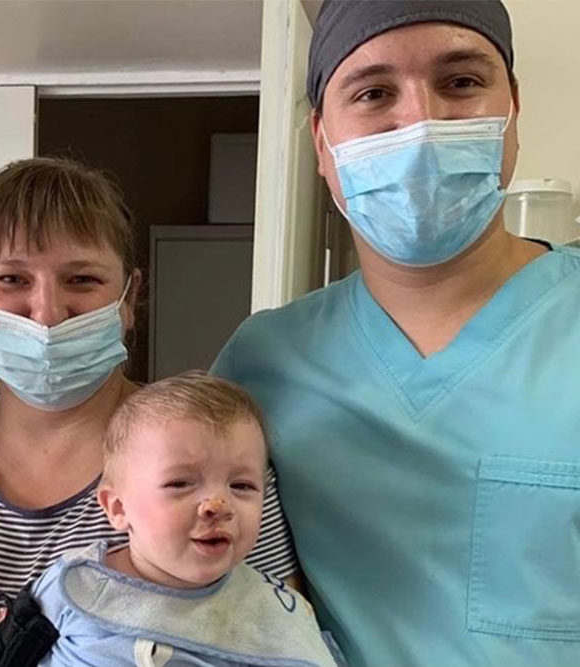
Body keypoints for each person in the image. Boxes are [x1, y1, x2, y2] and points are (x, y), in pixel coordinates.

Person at [212, 1, 580, 666]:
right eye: (375, 92)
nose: (421, 121)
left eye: (461, 82)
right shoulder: (263, 363)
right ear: (322, 143)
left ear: (514, 111)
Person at [0, 158, 299, 667]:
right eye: (12, 279)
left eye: (81, 279)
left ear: (129, 296)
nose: (48, 312)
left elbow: (277, 641)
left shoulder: (217, 465)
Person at [14, 372, 340, 667]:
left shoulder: (272, 617)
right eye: (180, 484)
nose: (218, 504)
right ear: (117, 508)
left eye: (241, 486)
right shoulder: (74, 584)